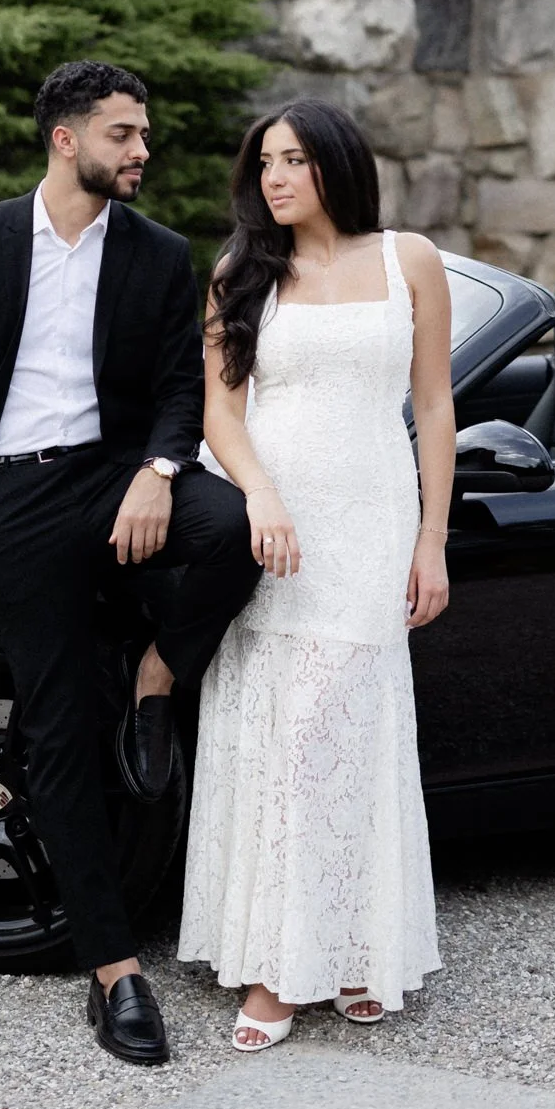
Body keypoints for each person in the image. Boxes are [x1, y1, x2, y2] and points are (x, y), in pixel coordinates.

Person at [0, 59, 261, 1066]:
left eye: (141, 135)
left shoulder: (154, 254)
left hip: (116, 476)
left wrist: (158, 470)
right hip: (12, 500)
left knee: (236, 531)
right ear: (64, 140)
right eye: (121, 134)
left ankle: (157, 677)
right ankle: (114, 973)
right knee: (54, 727)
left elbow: (176, 395)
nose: (140, 152)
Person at [178, 100, 454, 1049]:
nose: (275, 178)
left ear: (335, 164)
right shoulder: (239, 273)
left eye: (293, 160)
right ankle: (275, 969)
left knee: (347, 734)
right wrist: (257, 495)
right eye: (263, 163)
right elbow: (218, 415)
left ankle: (352, 953)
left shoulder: (407, 260)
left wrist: (432, 540)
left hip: (372, 522)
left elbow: (433, 405)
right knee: (282, 739)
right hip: (274, 527)